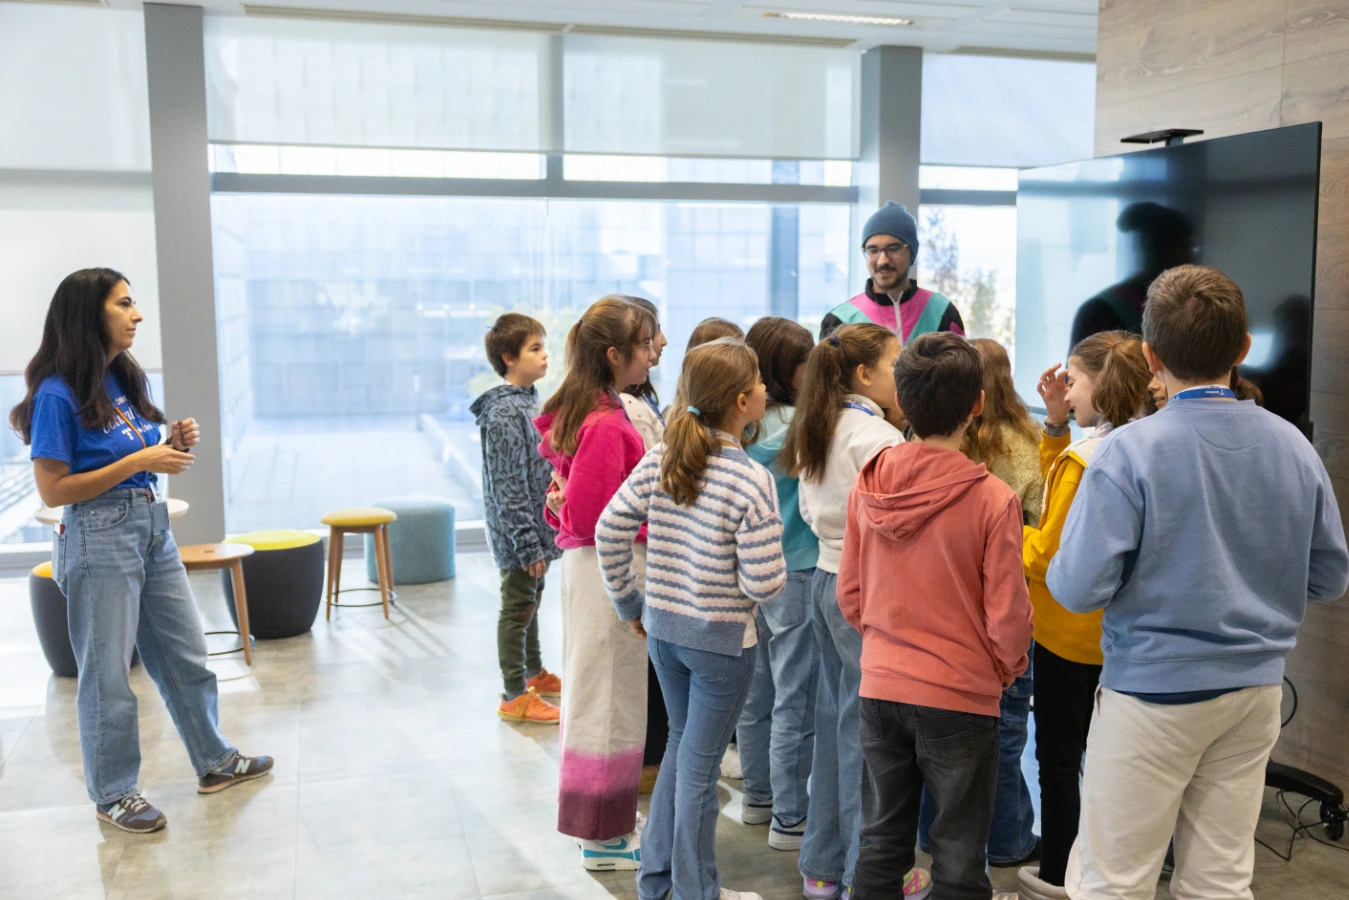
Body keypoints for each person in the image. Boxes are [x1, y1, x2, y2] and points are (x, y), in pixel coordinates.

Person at [1049, 265, 1349, 900]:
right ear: (1242, 350)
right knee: (1219, 879)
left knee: (1111, 881)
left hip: (1150, 695)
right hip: (1254, 693)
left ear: (1151, 357)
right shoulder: (1295, 447)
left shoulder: (1129, 453)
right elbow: (1328, 577)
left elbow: (1074, 589)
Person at [8, 268, 272, 835]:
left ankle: (214, 759)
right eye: (124, 304)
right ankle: (114, 793)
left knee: (186, 654)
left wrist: (167, 444)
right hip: (97, 537)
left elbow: (126, 458)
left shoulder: (116, 380)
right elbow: (55, 491)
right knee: (107, 676)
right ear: (89, 314)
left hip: (148, 528)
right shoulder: (58, 393)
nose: (137, 314)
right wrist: (140, 462)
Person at [841, 332, 1032, 900]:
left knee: (880, 845)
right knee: (957, 856)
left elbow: (850, 593)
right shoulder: (994, 499)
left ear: (901, 398)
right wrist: (1005, 668)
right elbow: (1008, 617)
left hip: (880, 686)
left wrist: (885, 647)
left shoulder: (868, 481)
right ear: (977, 403)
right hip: (961, 696)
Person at [596, 337, 785, 900]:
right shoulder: (751, 479)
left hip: (664, 632)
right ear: (745, 400)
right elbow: (765, 582)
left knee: (683, 752)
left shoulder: (664, 457)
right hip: (722, 645)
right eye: (759, 382)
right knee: (700, 771)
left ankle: (658, 882)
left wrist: (632, 604)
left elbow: (609, 531)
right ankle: (697, 891)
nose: (766, 389)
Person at [781, 323, 930, 900]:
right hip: (863, 590)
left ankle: (822, 867)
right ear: (865, 374)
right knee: (872, 740)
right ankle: (868, 873)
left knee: (837, 724)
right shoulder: (876, 437)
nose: (903, 374)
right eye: (896, 363)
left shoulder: (822, 423)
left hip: (823, 580)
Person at [1018, 330, 1152, 900]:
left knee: (1057, 761)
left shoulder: (1086, 460)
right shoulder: (1136, 441)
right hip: (1117, 637)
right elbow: (1064, 498)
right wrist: (1055, 428)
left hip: (1064, 636)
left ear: (1103, 384)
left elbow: (1049, 551)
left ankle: (1055, 874)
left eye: (1073, 381)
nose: (1065, 390)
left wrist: (1001, 532)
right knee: (1109, 764)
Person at [535, 295, 659, 870]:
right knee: (607, 700)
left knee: (603, 696)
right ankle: (602, 835)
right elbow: (591, 518)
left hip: (594, 570)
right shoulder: (609, 422)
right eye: (646, 343)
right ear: (615, 354)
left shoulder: (596, 408)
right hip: (609, 572)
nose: (654, 354)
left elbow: (569, 508)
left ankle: (602, 821)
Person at [916, 337, 1042, 868]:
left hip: (939, 606)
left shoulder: (930, 445)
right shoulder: (1029, 444)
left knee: (933, 737)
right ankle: (1009, 840)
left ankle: (929, 834)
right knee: (1008, 733)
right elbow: (1039, 520)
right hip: (1006, 605)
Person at [736, 317, 820, 850]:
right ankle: (791, 817)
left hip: (751, 571)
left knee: (756, 690)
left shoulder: (742, 426)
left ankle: (758, 797)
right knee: (798, 696)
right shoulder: (804, 426)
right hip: (801, 569)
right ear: (785, 368)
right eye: (804, 360)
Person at [471, 313, 565, 724]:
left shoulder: (529, 401)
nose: (545, 355)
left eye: (544, 346)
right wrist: (527, 543)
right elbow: (509, 486)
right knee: (517, 607)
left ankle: (533, 671)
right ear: (509, 357)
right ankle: (513, 693)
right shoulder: (505, 413)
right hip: (518, 534)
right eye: (534, 348)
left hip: (535, 527)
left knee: (532, 598)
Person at [617, 295, 672, 794]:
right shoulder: (619, 412)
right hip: (635, 560)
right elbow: (603, 519)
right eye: (650, 336)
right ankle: (648, 762)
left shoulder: (636, 403)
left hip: (641, 557)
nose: (661, 344)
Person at [819, 202, 964, 343]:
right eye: (873, 250)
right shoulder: (840, 322)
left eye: (894, 248)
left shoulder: (942, 312)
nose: (883, 261)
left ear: (912, 253)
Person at [1068, 202, 1196, 349]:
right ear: (1157, 250)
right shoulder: (1100, 311)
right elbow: (1077, 370)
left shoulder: (1189, 307)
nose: (1192, 257)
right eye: (1186, 248)